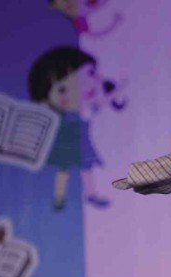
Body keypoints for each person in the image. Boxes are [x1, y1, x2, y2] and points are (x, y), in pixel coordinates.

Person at [28, 46, 124, 211]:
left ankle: (90, 194)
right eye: (62, 89)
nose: (83, 87)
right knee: (64, 170)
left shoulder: (84, 110)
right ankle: (60, 197)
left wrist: (113, 93)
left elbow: (98, 105)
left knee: (86, 169)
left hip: (82, 144)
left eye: (90, 74)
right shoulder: (64, 114)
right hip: (65, 145)